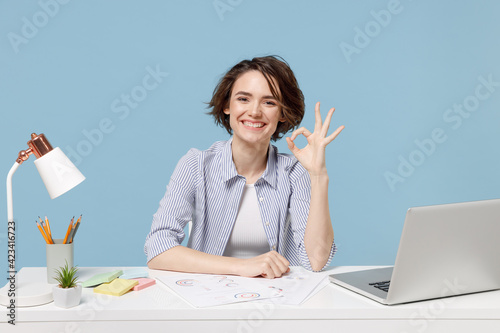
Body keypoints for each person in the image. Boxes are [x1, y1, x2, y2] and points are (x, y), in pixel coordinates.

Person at [145, 55, 344, 278]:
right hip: (208, 299)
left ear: (282, 113)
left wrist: (318, 175)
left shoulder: (293, 171)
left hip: (276, 301)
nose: (255, 112)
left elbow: (316, 260)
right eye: (243, 99)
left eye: (269, 102)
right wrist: (241, 267)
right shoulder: (196, 165)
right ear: (226, 105)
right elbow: (157, 248)